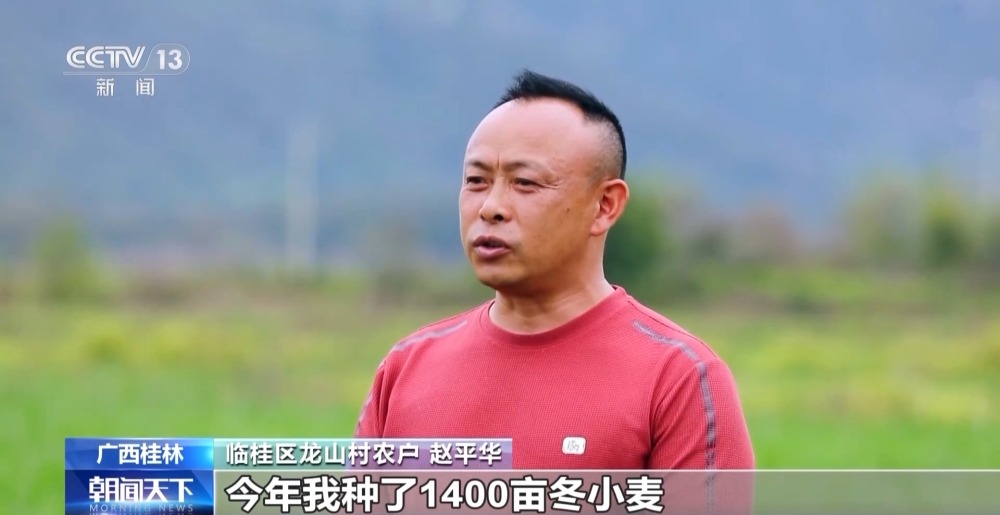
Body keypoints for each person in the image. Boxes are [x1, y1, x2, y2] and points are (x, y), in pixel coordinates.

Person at [355, 69, 754, 470]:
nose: (490, 207)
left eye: (525, 183)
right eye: (476, 180)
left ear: (605, 205)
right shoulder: (406, 368)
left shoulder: (680, 379)